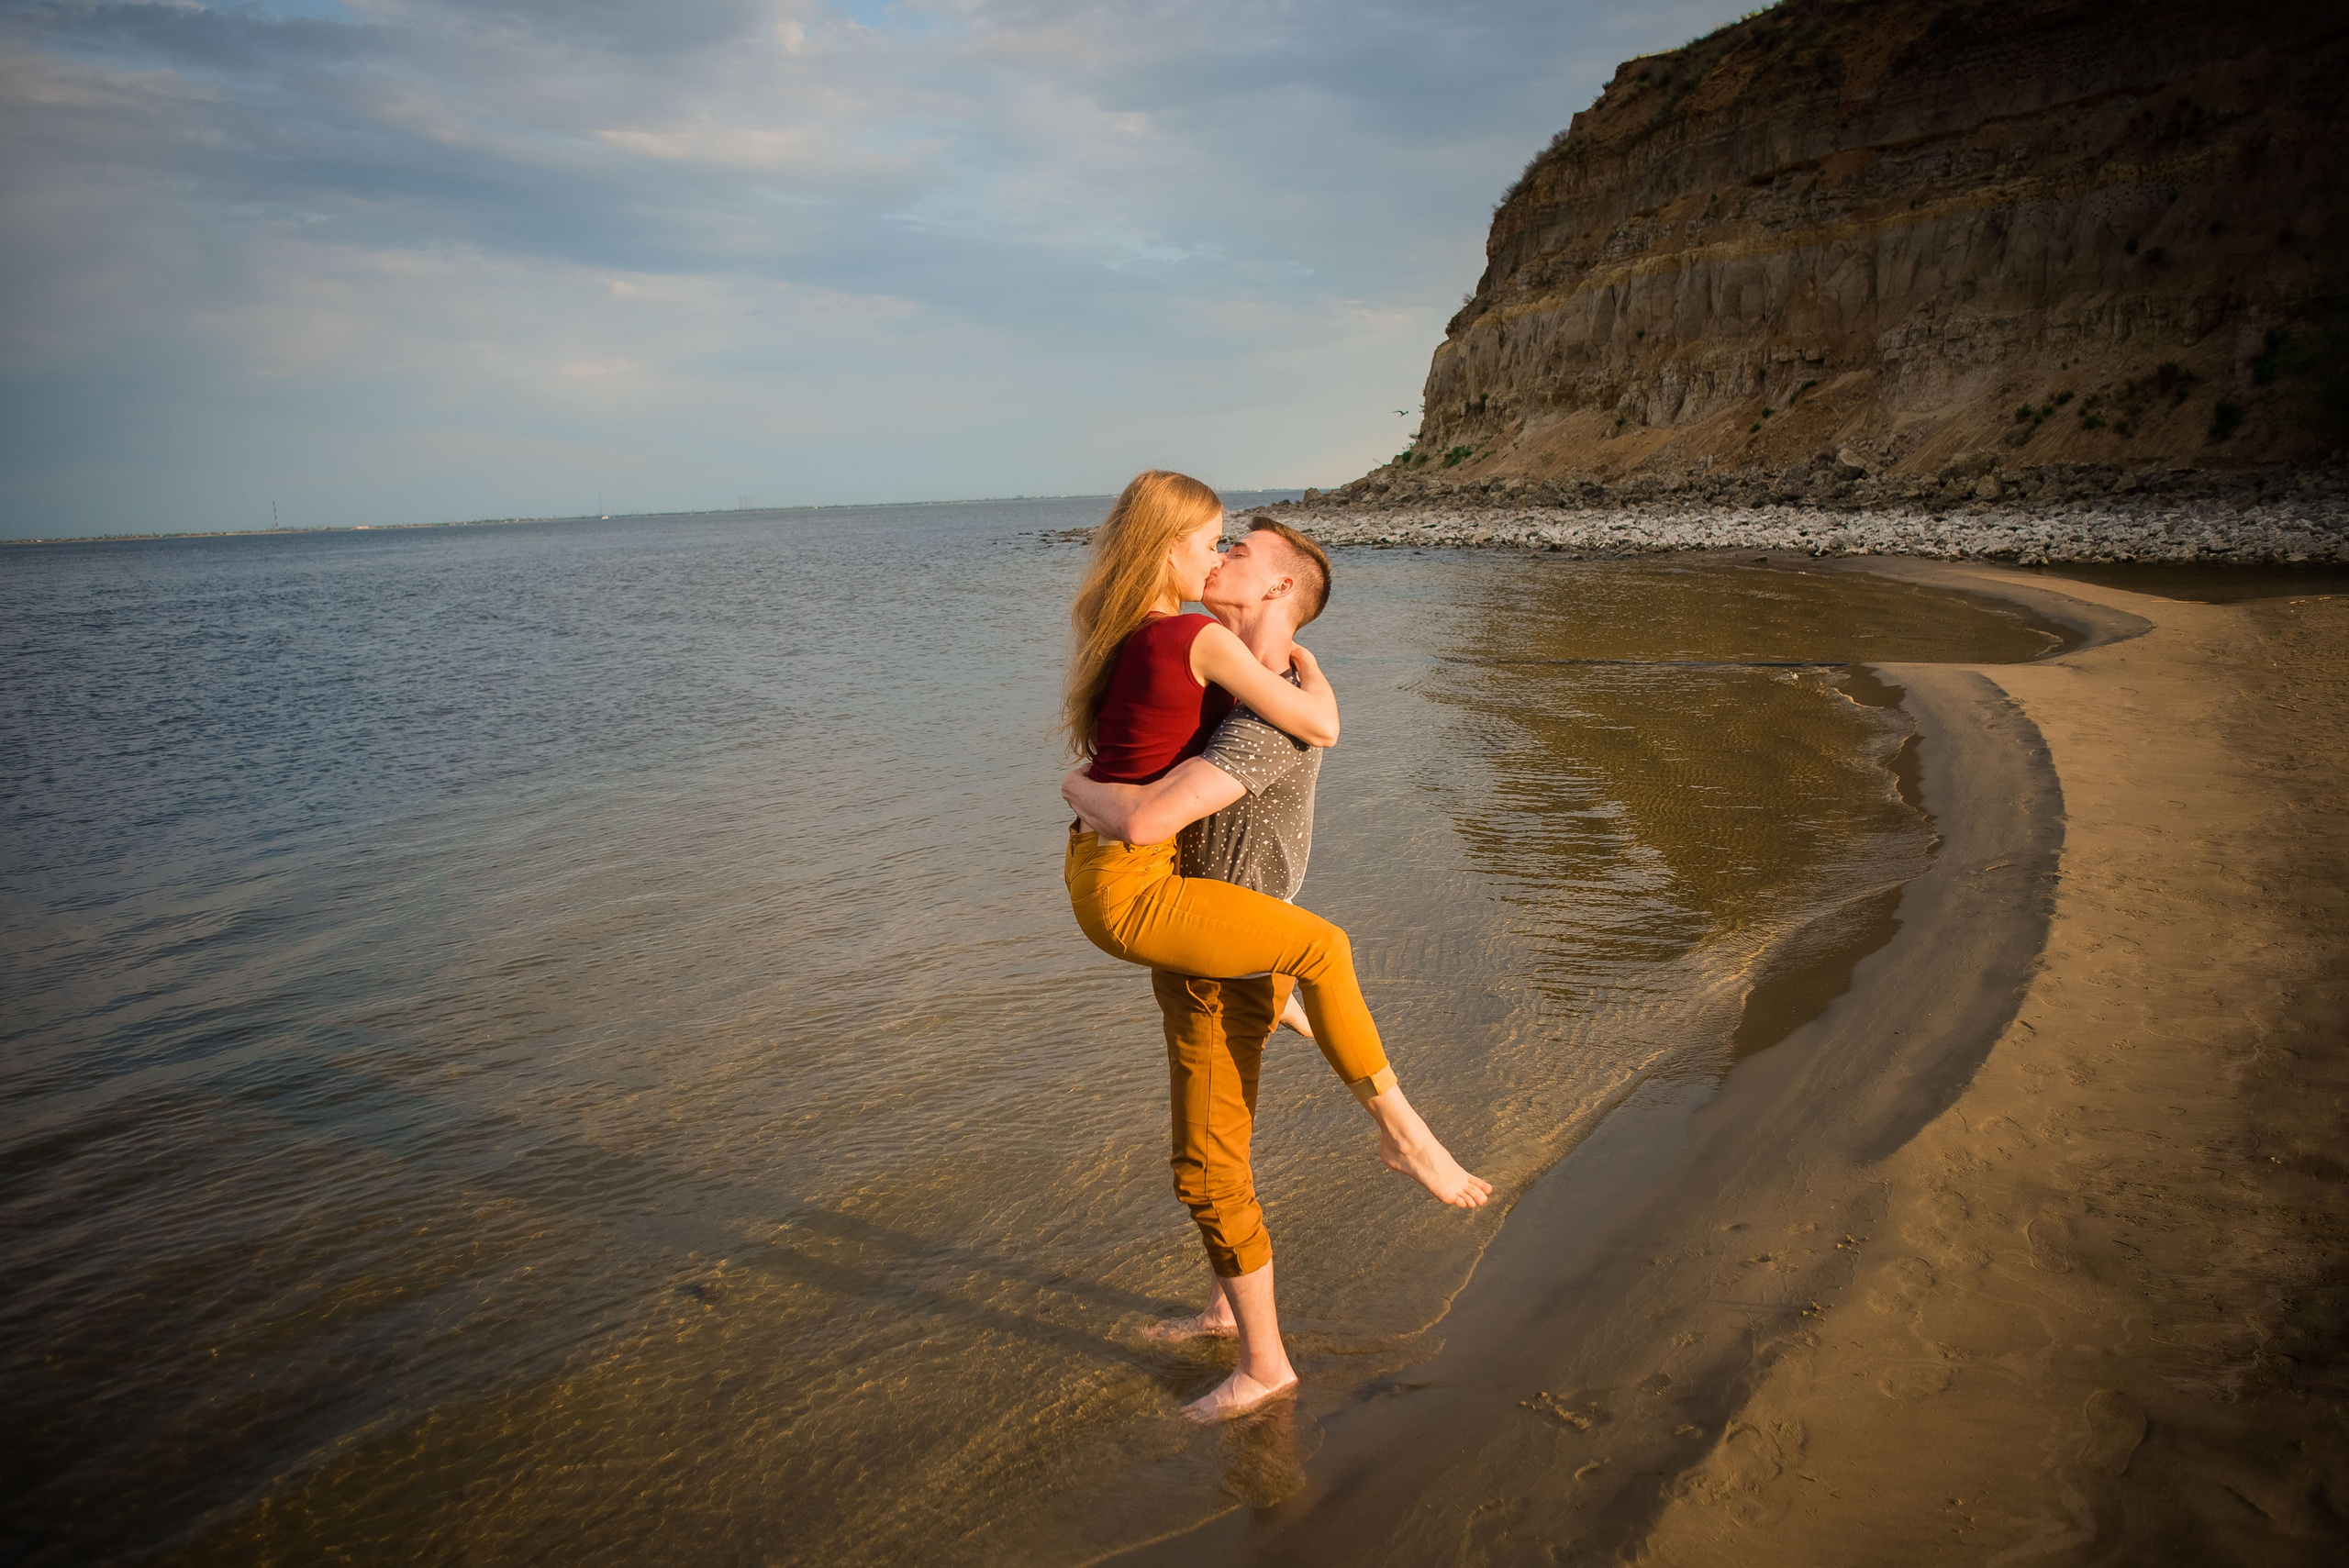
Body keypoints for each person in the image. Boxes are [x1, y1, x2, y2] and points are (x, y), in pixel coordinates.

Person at [1060, 471, 1492, 1424]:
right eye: (1214, 540)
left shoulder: (1258, 712)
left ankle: (1267, 1360)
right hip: (1200, 922)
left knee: (1211, 1156)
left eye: (1238, 550)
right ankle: (1230, 1305)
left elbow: (1155, 812)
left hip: (1209, 929)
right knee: (1221, 1142)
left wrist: (1083, 793)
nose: (1221, 556)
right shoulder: (1247, 678)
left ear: (1279, 591)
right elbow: (1279, 713)